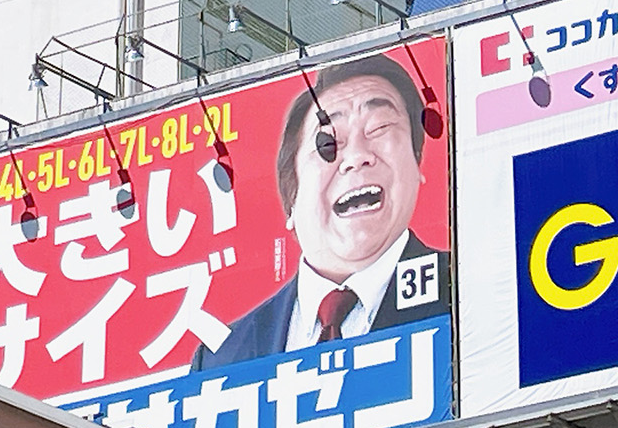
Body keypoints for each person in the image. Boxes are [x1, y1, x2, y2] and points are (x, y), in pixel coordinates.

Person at [193, 55, 450, 369]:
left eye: (380, 127)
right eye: (328, 144)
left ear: (417, 162)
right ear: (291, 200)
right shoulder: (224, 357)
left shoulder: (462, 288)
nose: (356, 156)